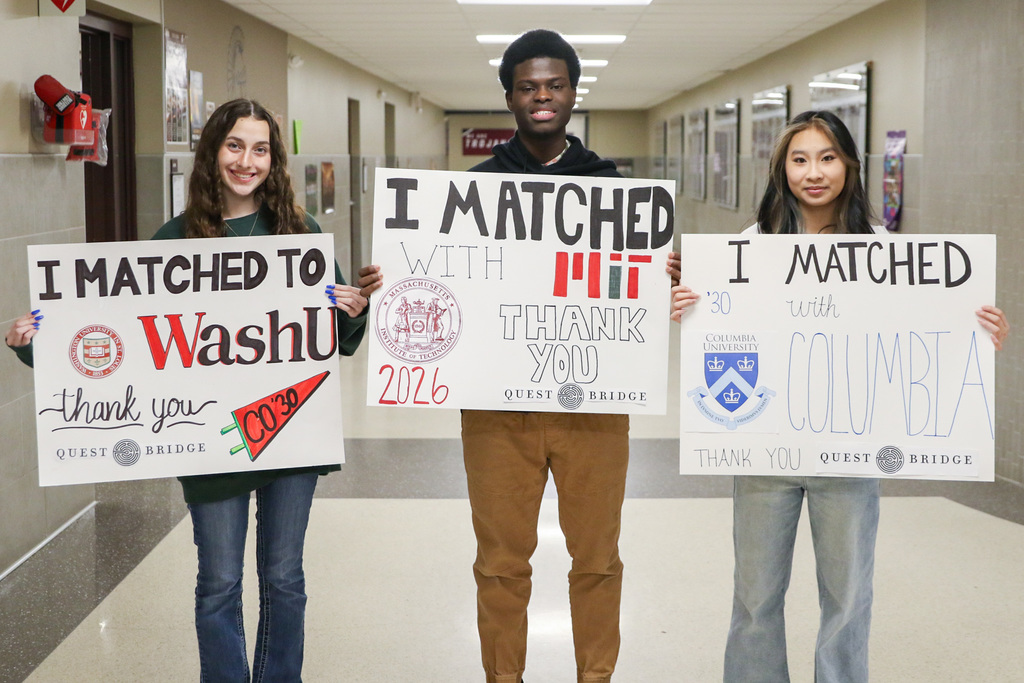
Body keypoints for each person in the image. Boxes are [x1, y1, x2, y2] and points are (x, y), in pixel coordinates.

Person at [7, 98, 380, 682]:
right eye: (235, 146)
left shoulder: (300, 233)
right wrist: (37, 343)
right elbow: (122, 340)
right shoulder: (174, 239)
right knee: (219, 582)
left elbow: (335, 339)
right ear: (212, 152)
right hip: (210, 441)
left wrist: (353, 310)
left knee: (284, 578)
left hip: (290, 432)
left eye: (260, 149)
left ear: (274, 159)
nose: (246, 161)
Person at [667, 109, 1010, 683]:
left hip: (849, 455)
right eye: (799, 159)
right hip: (763, 450)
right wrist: (687, 308)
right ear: (781, 170)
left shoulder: (883, 251)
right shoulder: (752, 248)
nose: (814, 172)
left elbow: (921, 333)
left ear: (850, 166)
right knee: (754, 600)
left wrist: (974, 334)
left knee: (848, 601)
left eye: (827, 158)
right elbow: (723, 332)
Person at [463, 30, 628, 683]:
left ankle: (596, 676)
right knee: (500, 562)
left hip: (592, 403)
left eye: (553, 85)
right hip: (498, 409)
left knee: (598, 559)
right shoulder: (471, 193)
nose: (541, 96)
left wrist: (660, 274)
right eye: (528, 86)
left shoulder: (612, 189)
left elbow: (626, 290)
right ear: (509, 96)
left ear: (571, 93)